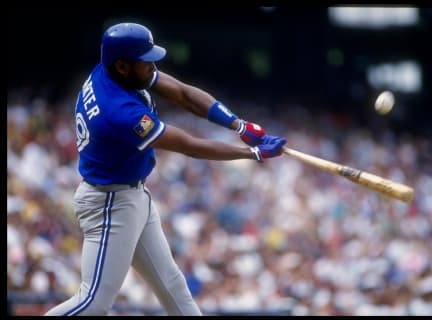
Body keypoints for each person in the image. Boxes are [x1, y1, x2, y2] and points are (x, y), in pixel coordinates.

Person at [44, 22, 286, 316]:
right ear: (122, 65)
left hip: (131, 196)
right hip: (110, 204)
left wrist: (238, 124)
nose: (153, 66)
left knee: (173, 286)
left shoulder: (114, 71)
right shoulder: (120, 111)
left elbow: (182, 94)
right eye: (146, 61)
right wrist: (252, 153)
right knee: (93, 303)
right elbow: (189, 145)